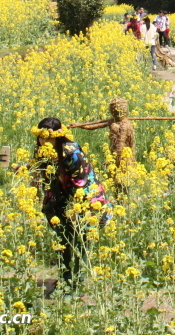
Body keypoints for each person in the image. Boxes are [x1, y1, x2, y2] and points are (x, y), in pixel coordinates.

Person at [21, 118, 111, 290]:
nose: (44, 141)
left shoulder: (71, 152)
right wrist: (19, 168)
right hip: (59, 198)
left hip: (82, 200)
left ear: (58, 136)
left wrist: (75, 208)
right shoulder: (41, 150)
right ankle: (65, 278)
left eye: (49, 137)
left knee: (80, 240)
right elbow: (36, 167)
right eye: (41, 137)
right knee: (63, 239)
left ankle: (77, 281)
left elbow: (81, 181)